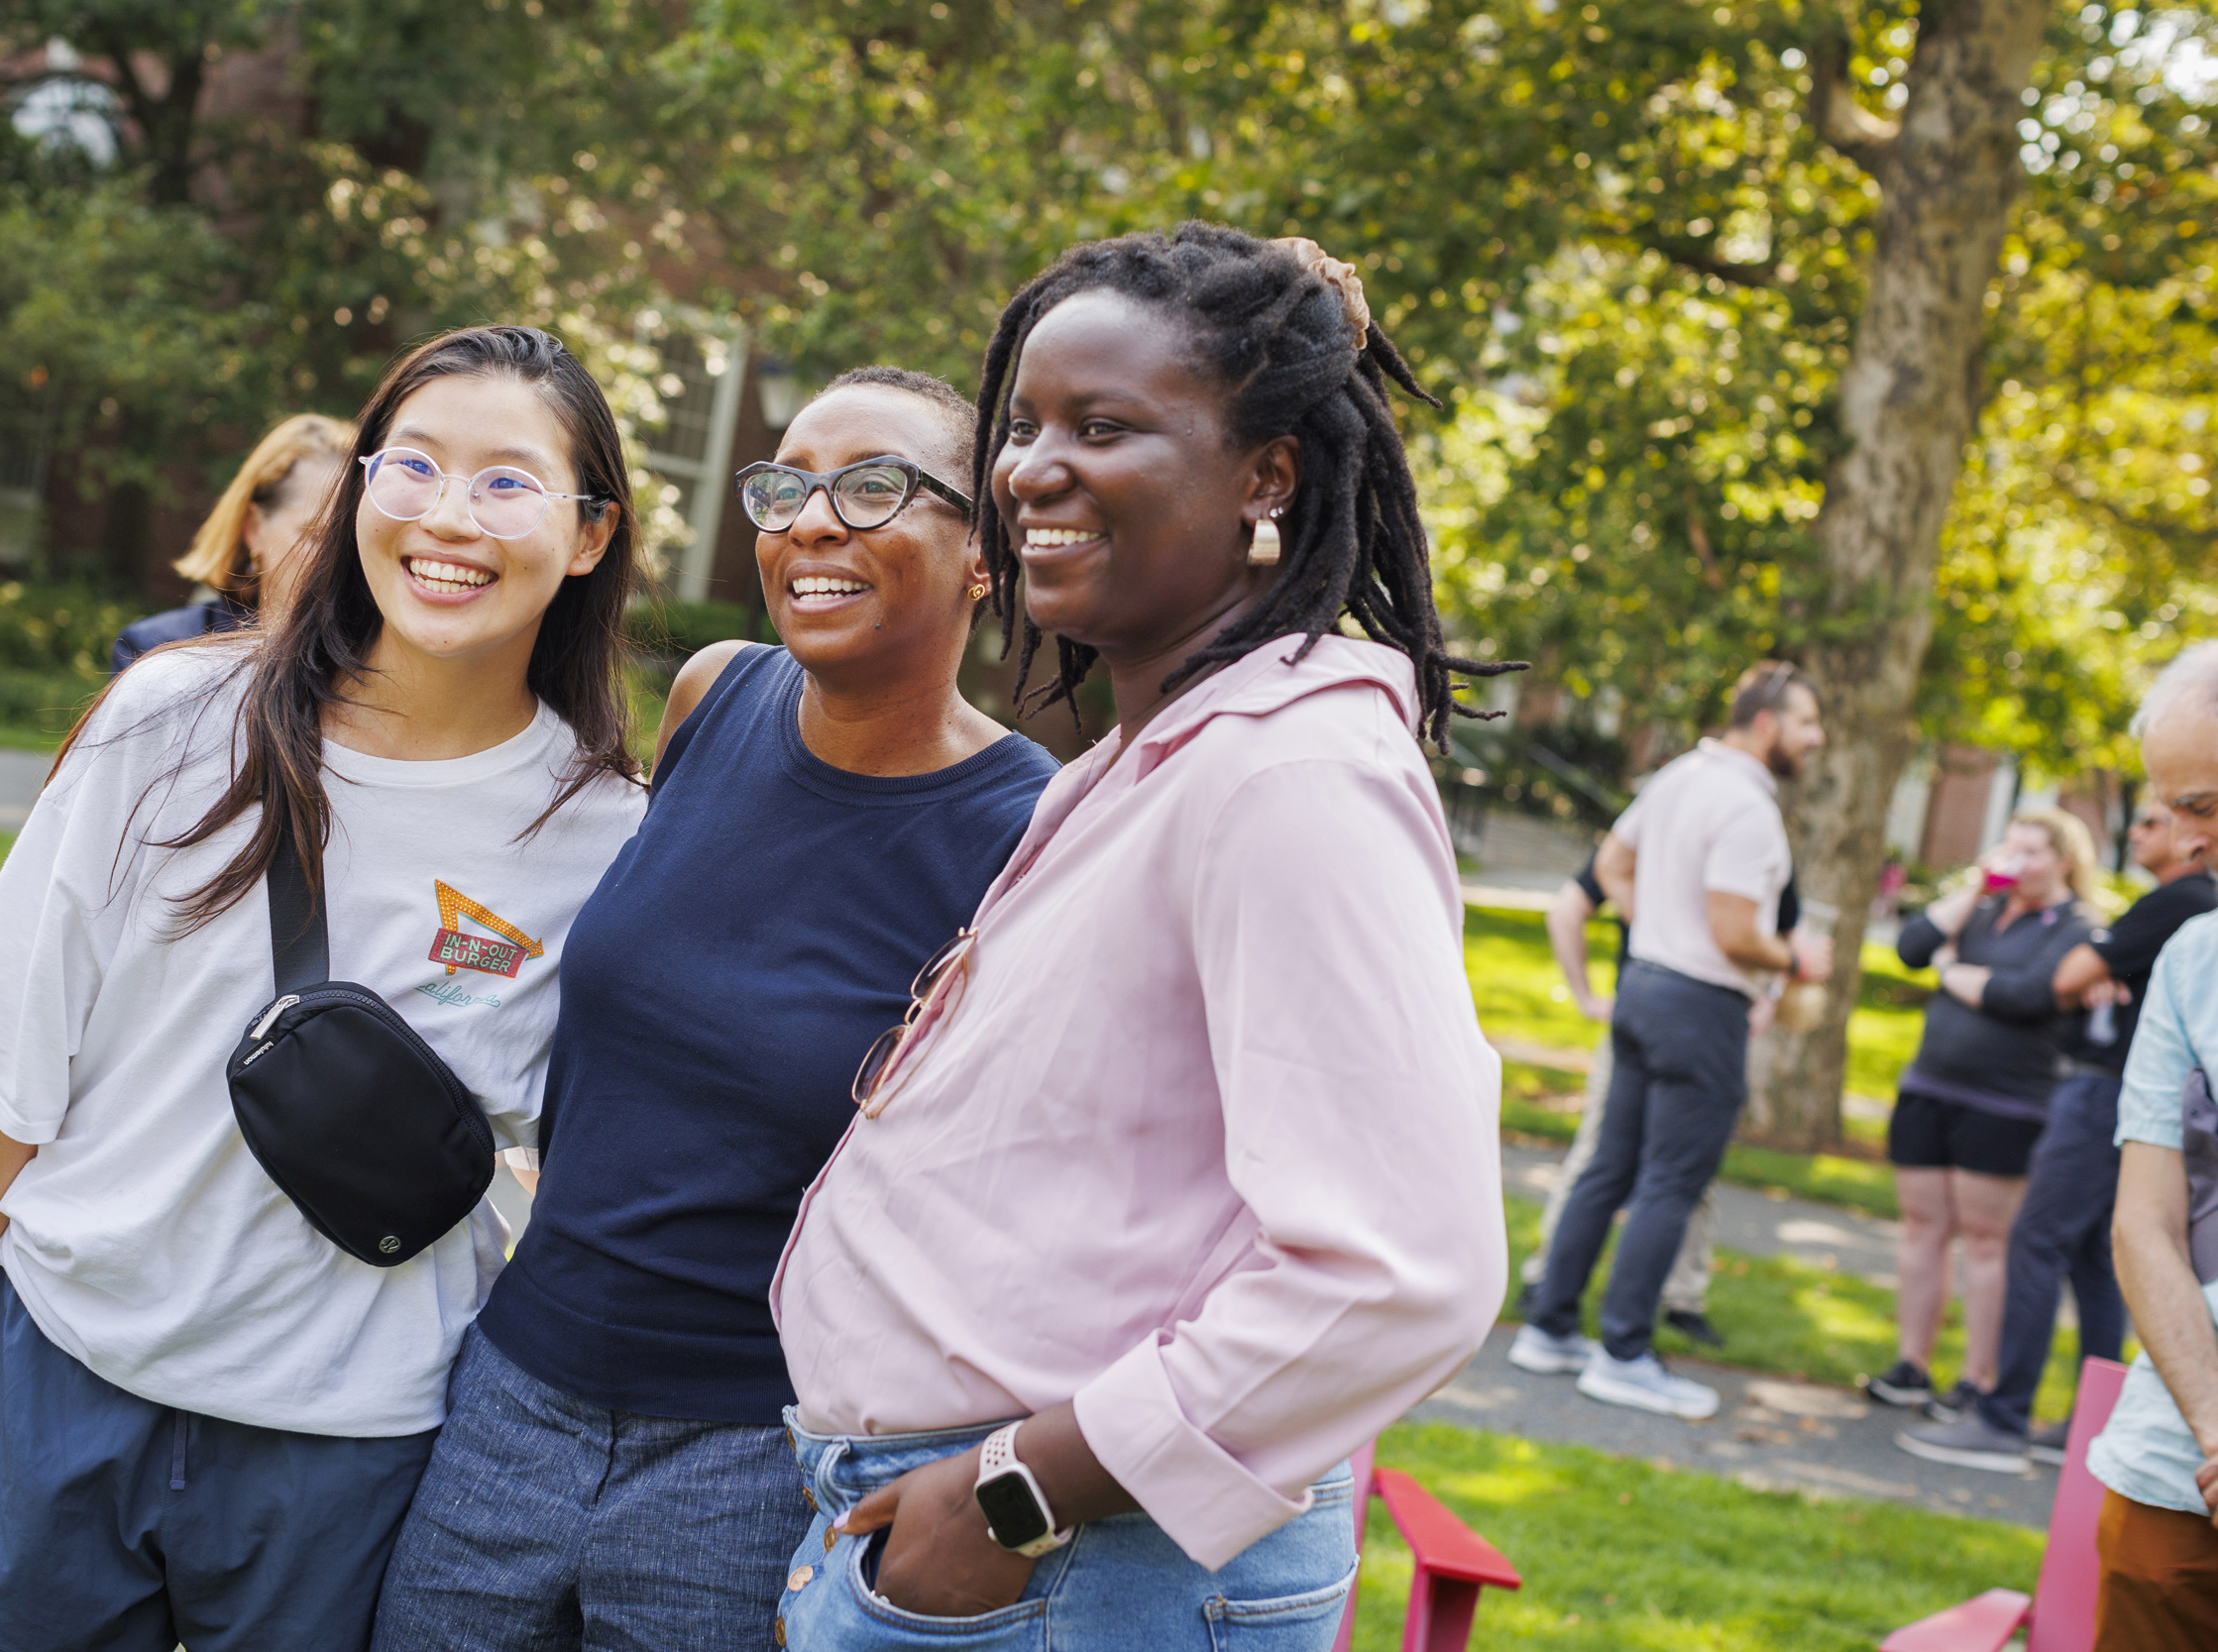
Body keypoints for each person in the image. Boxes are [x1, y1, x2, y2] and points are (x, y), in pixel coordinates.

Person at [769, 224, 1507, 1652]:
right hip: (990, 1538)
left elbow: (1403, 1268)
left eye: (1103, 427)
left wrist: (1007, 1496)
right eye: (1025, 423)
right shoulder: (1163, 754)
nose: (1030, 469)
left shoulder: (1290, 782)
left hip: (1075, 1563)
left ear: (1266, 478)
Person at [0, 326, 649, 1652]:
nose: (449, 516)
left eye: (508, 481)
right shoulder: (170, 721)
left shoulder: (611, 835)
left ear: (589, 535)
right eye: (413, 465)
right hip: (73, 1359)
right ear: (358, 490)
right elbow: (17, 1058)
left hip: (349, 1434)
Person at [369, 368, 1057, 1650]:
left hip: (751, 1447)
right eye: (786, 484)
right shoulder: (715, 695)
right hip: (514, 1384)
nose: (812, 519)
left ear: (988, 551)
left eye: (874, 486)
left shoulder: (1032, 834)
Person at [1511, 661, 1832, 1420]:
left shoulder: (1677, 776)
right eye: (1807, 723)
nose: (1816, 739)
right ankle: (1624, 1352)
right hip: (1701, 1005)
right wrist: (1797, 958)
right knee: (1670, 1182)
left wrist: (1655, 922)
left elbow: (1613, 866)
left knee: (1608, 1168)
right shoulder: (1749, 805)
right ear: (1765, 723)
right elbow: (1735, 934)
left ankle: (1551, 1329)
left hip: (1645, 986)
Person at [1899, 795, 2214, 1472]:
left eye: (2160, 818)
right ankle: (2085, 1423)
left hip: (2103, 1097)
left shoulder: (2179, 900)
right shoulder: (2170, 909)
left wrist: (2090, 975)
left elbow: (2058, 982)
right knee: (2095, 1260)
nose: (2142, 828)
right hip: (2117, 1092)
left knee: (2035, 1239)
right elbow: (2071, 988)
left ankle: (2001, 1418)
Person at [1864, 808, 2099, 1421]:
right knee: (1922, 1227)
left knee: (1987, 1239)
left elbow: (2026, 996)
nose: (2015, 863)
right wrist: (1972, 889)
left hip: (2006, 1104)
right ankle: (1911, 1364)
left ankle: (1977, 1379)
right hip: (1929, 1088)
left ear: (2064, 861)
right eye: (2009, 849)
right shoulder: (1982, 908)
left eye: (2032, 853)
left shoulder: (2075, 925)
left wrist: (1953, 972)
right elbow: (1913, 949)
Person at [2088, 641, 2218, 1646]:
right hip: (2181, 1458)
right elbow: (2144, 1221)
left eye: (2205, 805)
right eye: (2173, 808)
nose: (2186, 843)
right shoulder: (2189, 957)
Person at [1515, 858, 1723, 1345]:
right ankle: (1631, 1308)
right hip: (1685, 1021)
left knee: (1627, 1163)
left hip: (1644, 1013)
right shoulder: (1706, 831)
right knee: (1642, 1166)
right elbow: (1566, 910)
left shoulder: (1649, 833)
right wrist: (1586, 997)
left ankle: (1557, 1291)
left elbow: (1565, 910)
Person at [110, 412, 354, 671]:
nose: (339, 558)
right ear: (254, 529)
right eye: (316, 535)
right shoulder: (158, 654)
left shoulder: (373, 663)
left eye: (352, 540)